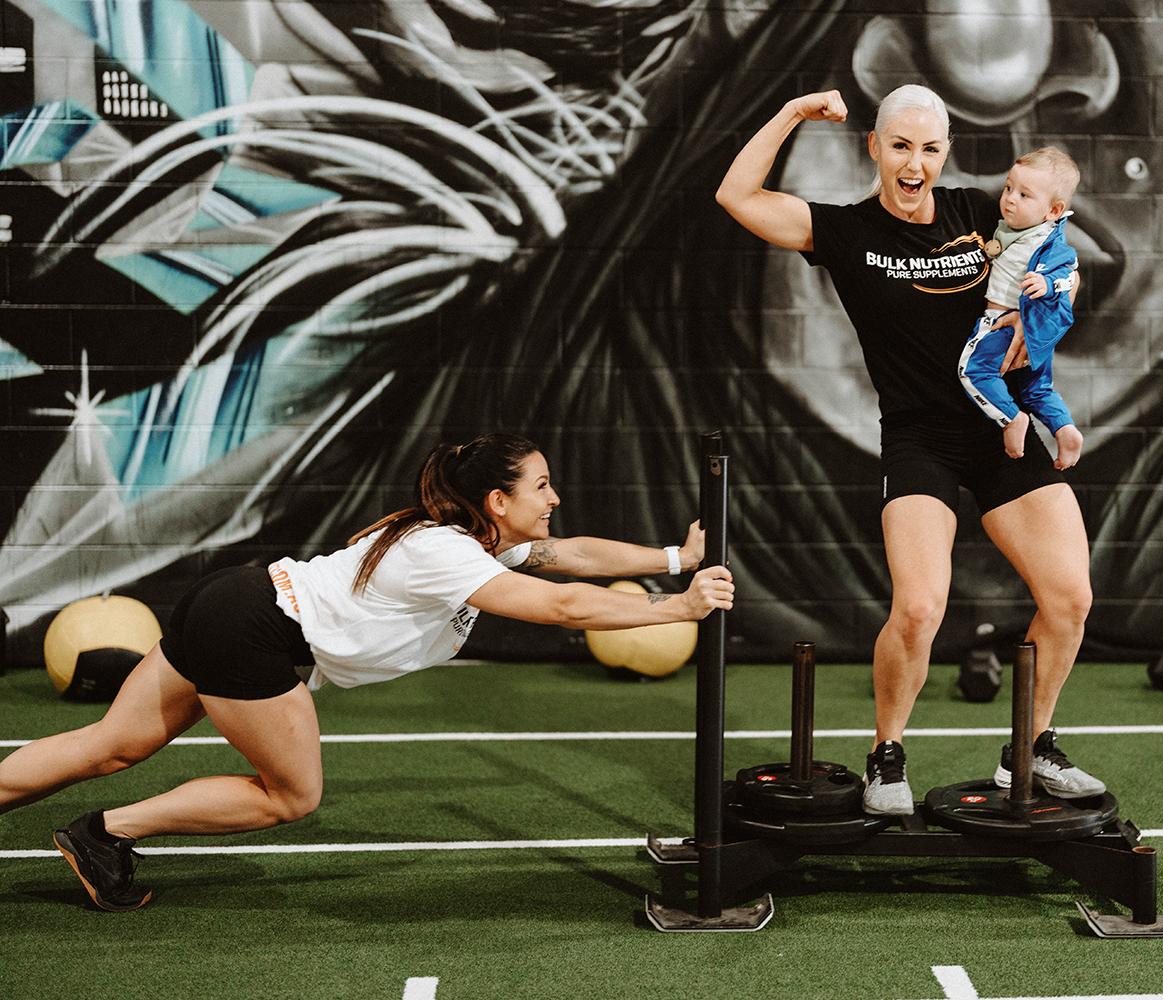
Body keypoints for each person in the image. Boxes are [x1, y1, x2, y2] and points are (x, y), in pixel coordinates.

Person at [0, 432, 734, 911]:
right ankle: (105, 832)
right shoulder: (444, 553)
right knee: (291, 795)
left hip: (233, 603)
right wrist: (678, 611)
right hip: (254, 630)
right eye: (542, 486)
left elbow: (570, 556)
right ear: (497, 501)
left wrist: (673, 560)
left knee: (112, 746)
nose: (555, 499)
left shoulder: (472, 540)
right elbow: (563, 604)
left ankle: (92, 828)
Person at [715, 83, 1104, 816]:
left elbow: (1057, 243)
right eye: (900, 146)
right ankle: (885, 753)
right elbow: (737, 194)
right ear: (876, 148)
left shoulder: (978, 212)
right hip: (919, 438)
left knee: (1071, 598)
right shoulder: (845, 230)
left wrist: (1061, 291)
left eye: (929, 148)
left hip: (1002, 426)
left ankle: (1032, 747)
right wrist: (793, 112)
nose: (914, 162)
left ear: (945, 153)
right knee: (921, 607)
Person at [959, 147, 1084, 471]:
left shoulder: (1047, 240)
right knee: (1036, 388)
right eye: (1008, 188)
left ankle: (1011, 419)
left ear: (1053, 211)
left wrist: (1046, 283)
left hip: (1002, 322)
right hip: (1024, 328)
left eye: (1024, 195)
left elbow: (1068, 268)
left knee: (974, 371)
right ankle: (1065, 429)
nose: (1010, 199)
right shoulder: (1018, 229)